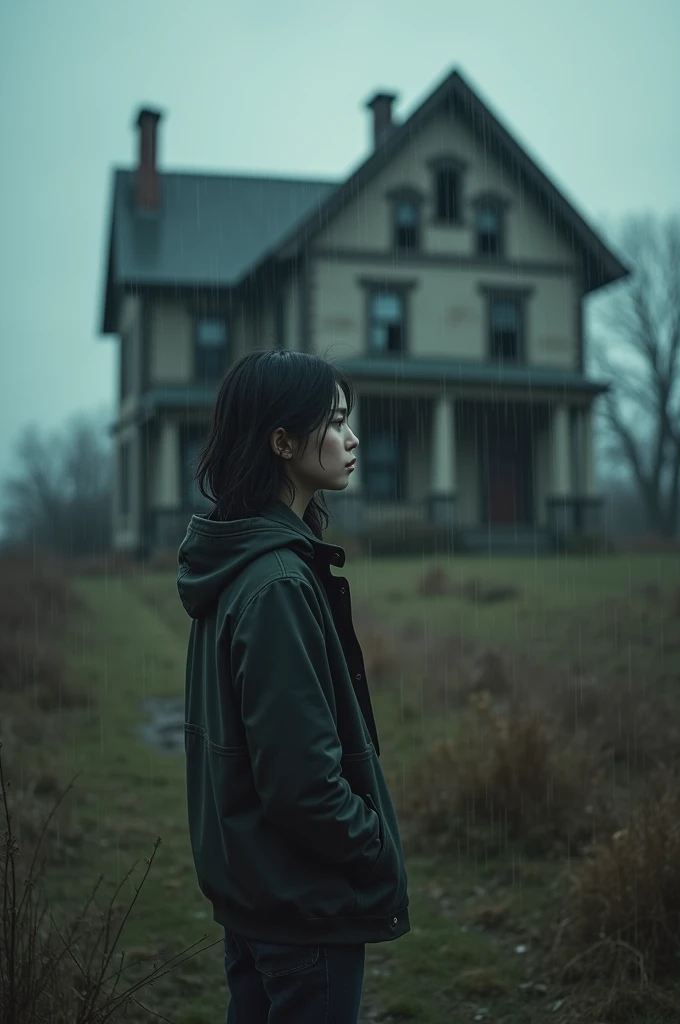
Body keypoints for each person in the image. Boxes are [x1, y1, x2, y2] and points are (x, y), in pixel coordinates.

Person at [177, 348, 410, 1023]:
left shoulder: (242, 557)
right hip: (304, 909)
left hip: (258, 897)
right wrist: (373, 847)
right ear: (282, 442)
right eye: (335, 422)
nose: (353, 438)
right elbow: (302, 783)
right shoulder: (274, 581)